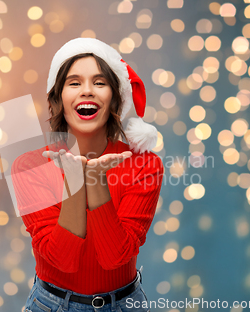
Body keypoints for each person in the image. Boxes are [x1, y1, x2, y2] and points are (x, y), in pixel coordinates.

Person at [11, 37, 163, 312]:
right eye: (74, 82)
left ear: (115, 97)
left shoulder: (145, 165)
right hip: (50, 305)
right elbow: (62, 260)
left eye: (100, 82)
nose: (87, 91)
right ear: (57, 98)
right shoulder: (29, 167)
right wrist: (76, 181)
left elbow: (114, 257)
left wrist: (94, 180)